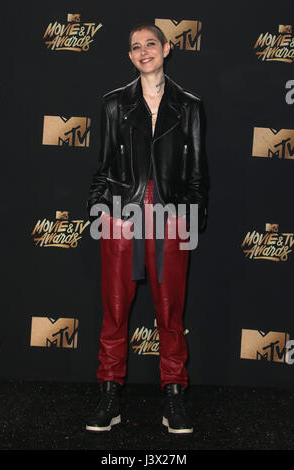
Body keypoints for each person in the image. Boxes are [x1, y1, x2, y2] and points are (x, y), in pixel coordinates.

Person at [86, 21, 210, 434]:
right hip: (123, 218)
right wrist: (100, 210)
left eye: (150, 45)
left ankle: (174, 396)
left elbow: (197, 176)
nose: (144, 52)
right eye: (136, 47)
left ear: (167, 48)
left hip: (171, 218)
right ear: (129, 56)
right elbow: (103, 169)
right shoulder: (113, 104)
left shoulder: (189, 105)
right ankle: (109, 395)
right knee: (115, 311)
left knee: (170, 312)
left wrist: (188, 214)